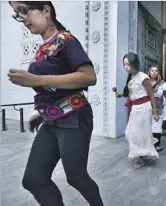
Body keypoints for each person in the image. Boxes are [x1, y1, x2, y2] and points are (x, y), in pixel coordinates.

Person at [8, 1, 104, 205]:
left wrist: (36, 80)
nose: (23, 18)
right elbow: (53, 91)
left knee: (76, 176)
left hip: (74, 117)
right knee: (34, 179)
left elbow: (88, 76)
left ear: (46, 10)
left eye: (25, 10)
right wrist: (42, 114)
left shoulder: (65, 41)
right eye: (17, 14)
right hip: (52, 121)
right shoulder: (42, 49)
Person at [113, 52, 159, 168]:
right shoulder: (131, 78)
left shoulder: (143, 76)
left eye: (127, 64)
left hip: (144, 108)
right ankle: (142, 155)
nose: (125, 67)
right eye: (124, 64)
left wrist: (155, 112)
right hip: (135, 108)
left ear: (134, 63)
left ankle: (140, 158)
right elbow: (129, 94)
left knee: (138, 134)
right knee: (130, 133)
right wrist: (118, 94)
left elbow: (151, 95)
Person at [148, 66, 166, 152]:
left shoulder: (162, 84)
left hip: (159, 109)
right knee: (146, 127)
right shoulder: (145, 82)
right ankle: (147, 145)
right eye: (152, 70)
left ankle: (157, 145)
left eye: (156, 71)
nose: (154, 72)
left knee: (157, 127)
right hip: (146, 108)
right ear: (149, 72)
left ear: (158, 73)